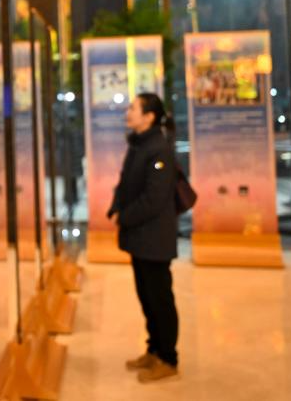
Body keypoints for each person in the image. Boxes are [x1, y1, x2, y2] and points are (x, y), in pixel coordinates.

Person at [108, 92, 180, 383]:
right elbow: (126, 184)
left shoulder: (159, 149)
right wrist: (115, 207)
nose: (128, 112)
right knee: (146, 297)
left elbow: (154, 199)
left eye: (133, 108)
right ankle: (154, 349)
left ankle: (168, 358)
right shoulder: (139, 144)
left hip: (154, 238)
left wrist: (123, 217)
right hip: (140, 237)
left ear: (149, 116)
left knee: (160, 299)